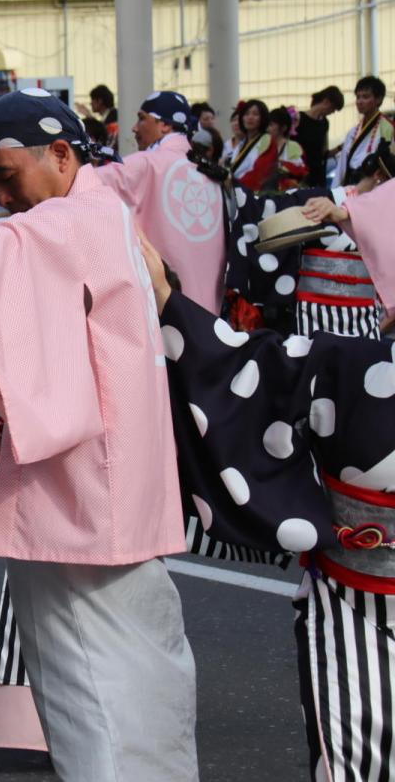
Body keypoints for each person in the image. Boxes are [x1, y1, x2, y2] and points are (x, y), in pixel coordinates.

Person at [0, 90, 197, 781]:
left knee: (85, 673)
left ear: (62, 154)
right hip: (119, 473)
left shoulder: (72, 221)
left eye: (8, 177)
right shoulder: (106, 208)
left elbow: (5, 250)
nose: (2, 197)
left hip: (82, 485)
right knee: (143, 659)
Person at [143, 191, 395, 779]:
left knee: (356, 758)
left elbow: (241, 370)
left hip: (358, 598)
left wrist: (165, 301)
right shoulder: (351, 364)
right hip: (358, 587)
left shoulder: (348, 365)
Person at [97, 90, 226, 314]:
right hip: (211, 319)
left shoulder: (145, 164)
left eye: (142, 118)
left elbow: (78, 186)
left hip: (164, 314)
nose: (134, 128)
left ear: (164, 125)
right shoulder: (212, 173)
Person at [334, 76, 393, 187]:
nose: (360, 101)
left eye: (365, 97)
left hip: (372, 184)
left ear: (378, 99)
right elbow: (342, 163)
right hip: (351, 183)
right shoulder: (353, 131)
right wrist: (335, 188)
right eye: (358, 97)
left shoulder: (387, 128)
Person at [297, 85, 344, 187]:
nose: (332, 112)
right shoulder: (298, 119)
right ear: (326, 102)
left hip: (318, 176)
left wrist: (341, 147)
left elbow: (324, 153)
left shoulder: (324, 123)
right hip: (299, 175)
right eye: (333, 108)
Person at [229, 99, 276, 192]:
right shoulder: (242, 143)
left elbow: (260, 172)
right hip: (238, 190)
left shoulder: (266, 140)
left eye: (255, 114)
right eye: (246, 114)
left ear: (262, 118)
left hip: (254, 193)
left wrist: (235, 185)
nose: (250, 117)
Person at [266, 106, 308, 192]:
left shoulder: (293, 146)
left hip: (288, 193)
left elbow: (300, 171)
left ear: (283, 128)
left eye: (271, 125)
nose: (267, 128)